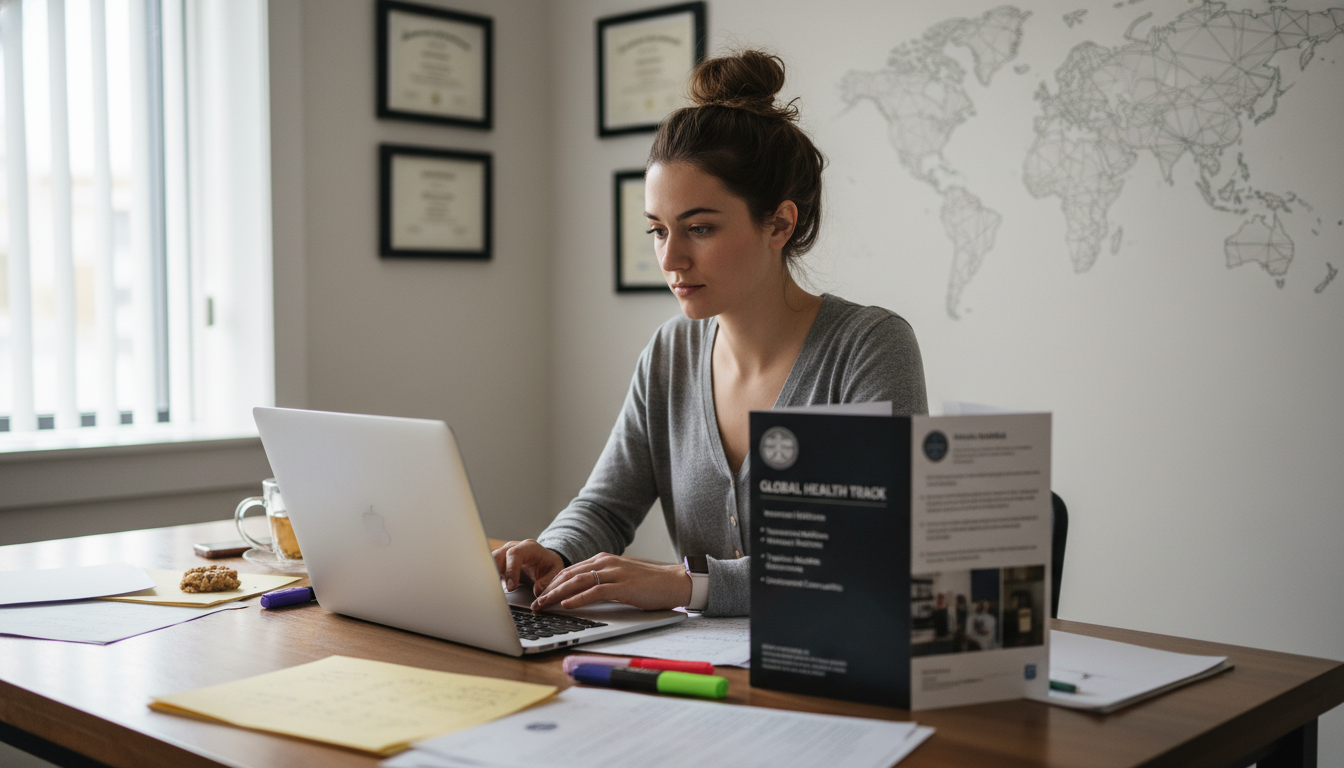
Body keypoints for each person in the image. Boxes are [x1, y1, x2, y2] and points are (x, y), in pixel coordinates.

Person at [493, 49, 927, 617]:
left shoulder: (868, 347)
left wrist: (686, 585)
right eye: (657, 230)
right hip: (703, 669)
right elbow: (605, 505)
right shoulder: (670, 353)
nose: (671, 258)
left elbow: (872, 552)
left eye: (699, 228)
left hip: (833, 669)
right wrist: (553, 551)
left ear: (779, 223)